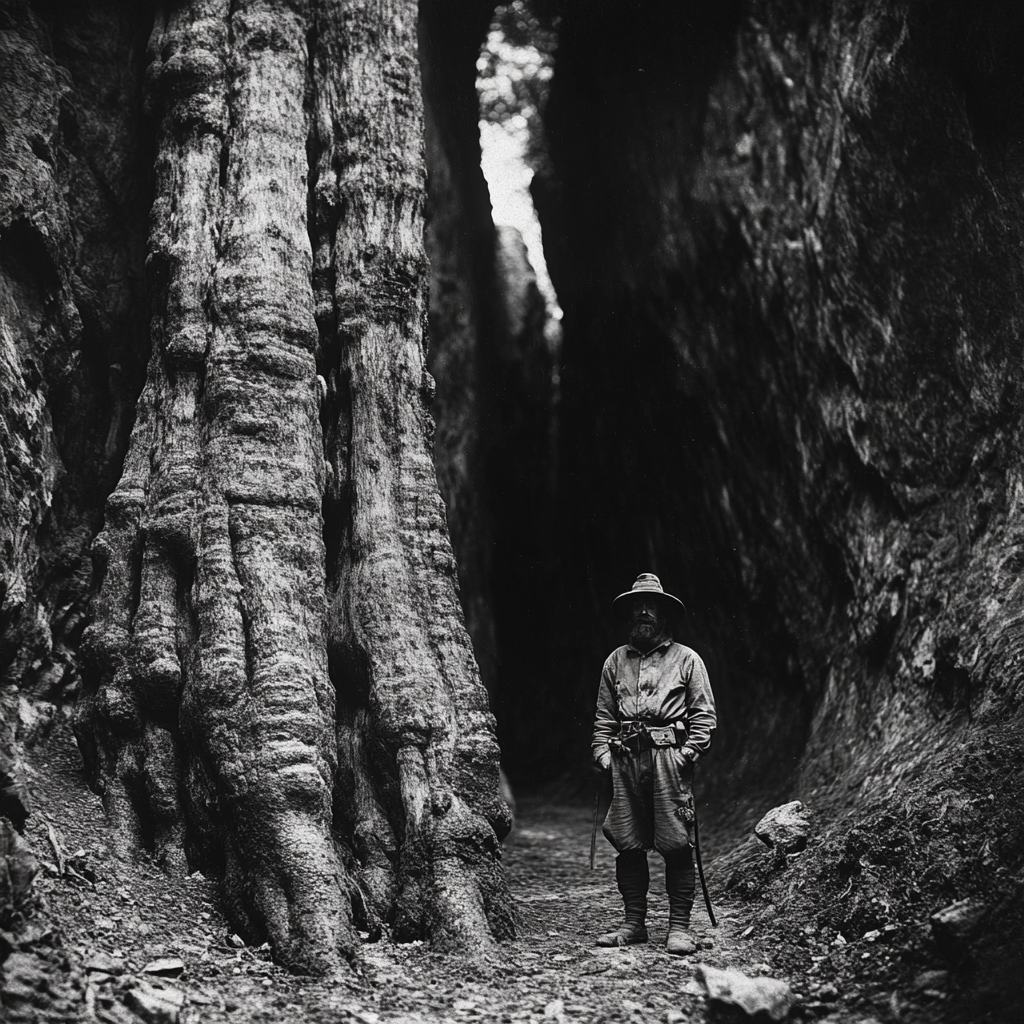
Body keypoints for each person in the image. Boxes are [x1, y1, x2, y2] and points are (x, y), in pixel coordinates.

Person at [592, 572, 717, 955]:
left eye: (652, 607)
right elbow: (604, 717)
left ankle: (679, 928)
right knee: (628, 843)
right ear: (629, 614)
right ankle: (634, 924)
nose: (644, 612)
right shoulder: (616, 661)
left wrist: (687, 754)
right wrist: (602, 754)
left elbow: (704, 715)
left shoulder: (687, 660)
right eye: (638, 606)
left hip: (669, 762)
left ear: (665, 615)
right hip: (625, 761)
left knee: (676, 842)